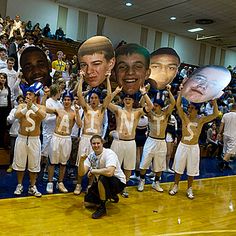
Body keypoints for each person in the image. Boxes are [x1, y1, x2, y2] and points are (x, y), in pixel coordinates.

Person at [169, 90, 219, 199]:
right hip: (183, 146)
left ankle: (189, 188)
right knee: (178, 167)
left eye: (191, 108)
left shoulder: (201, 120)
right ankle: (175, 185)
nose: (189, 110)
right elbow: (178, 105)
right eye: (188, 108)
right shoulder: (184, 117)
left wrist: (214, 102)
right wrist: (181, 93)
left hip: (194, 147)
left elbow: (215, 114)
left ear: (196, 110)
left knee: (192, 169)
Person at [108, 86, 153, 197]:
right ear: (123, 100)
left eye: (130, 99)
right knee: (114, 166)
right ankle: (113, 187)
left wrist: (144, 93)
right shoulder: (118, 110)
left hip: (130, 142)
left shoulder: (137, 112)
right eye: (126, 99)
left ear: (133, 101)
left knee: (128, 167)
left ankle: (124, 187)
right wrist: (116, 92)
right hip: (118, 142)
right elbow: (107, 102)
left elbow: (150, 106)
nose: (128, 101)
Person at [74, 71, 112, 195]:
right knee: (81, 161)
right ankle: (79, 184)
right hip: (85, 138)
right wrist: (81, 78)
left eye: (95, 97)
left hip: (96, 139)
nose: (93, 99)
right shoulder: (86, 108)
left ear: (98, 99)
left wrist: (107, 79)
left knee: (94, 165)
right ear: (89, 99)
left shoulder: (102, 109)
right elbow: (79, 95)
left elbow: (109, 96)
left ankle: (89, 186)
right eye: (92, 98)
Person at [77, 134, 126, 219]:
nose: (96, 145)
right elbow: (81, 173)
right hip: (103, 182)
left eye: (98, 143)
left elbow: (110, 172)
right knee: (87, 203)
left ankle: (102, 207)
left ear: (102, 143)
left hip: (118, 182)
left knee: (102, 177)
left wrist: (93, 171)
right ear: (91, 145)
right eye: (94, 143)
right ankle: (109, 195)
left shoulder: (109, 153)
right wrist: (81, 161)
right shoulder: (91, 156)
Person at [138, 85, 175, 192]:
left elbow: (173, 103)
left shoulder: (166, 114)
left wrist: (169, 90)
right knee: (144, 162)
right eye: (154, 105)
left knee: (160, 165)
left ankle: (156, 182)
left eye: (156, 105)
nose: (154, 107)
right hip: (151, 140)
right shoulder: (150, 114)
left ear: (161, 106)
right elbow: (141, 105)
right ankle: (142, 181)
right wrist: (144, 93)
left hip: (161, 142)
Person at [12, 82, 46, 197]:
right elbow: (16, 116)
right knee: (20, 164)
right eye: (26, 94)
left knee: (34, 165)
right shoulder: (22, 106)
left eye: (30, 94)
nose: (27, 96)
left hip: (34, 139)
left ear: (35, 96)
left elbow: (43, 116)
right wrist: (27, 107)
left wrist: (33, 106)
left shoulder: (41, 107)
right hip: (21, 138)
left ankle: (32, 186)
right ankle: (20, 185)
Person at [46, 90, 82, 193]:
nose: (66, 101)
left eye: (68, 100)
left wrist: (77, 112)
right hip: (56, 136)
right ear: (62, 100)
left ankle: (60, 182)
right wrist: (45, 95)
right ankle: (50, 182)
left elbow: (80, 125)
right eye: (65, 99)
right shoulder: (58, 110)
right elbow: (45, 109)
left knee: (63, 163)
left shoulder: (74, 113)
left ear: (71, 101)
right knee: (52, 162)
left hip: (66, 138)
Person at [218, 103, 236, 170]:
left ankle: (226, 165)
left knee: (226, 150)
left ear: (231, 108)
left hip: (225, 135)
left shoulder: (225, 115)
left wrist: (219, 133)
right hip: (233, 135)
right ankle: (222, 164)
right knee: (230, 151)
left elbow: (221, 125)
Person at [0, 72, 11, 148]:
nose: (3, 79)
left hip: (5, 109)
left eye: (4, 78)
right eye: (1, 78)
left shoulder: (8, 88)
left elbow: (9, 99)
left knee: (4, 127)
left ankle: (3, 144)